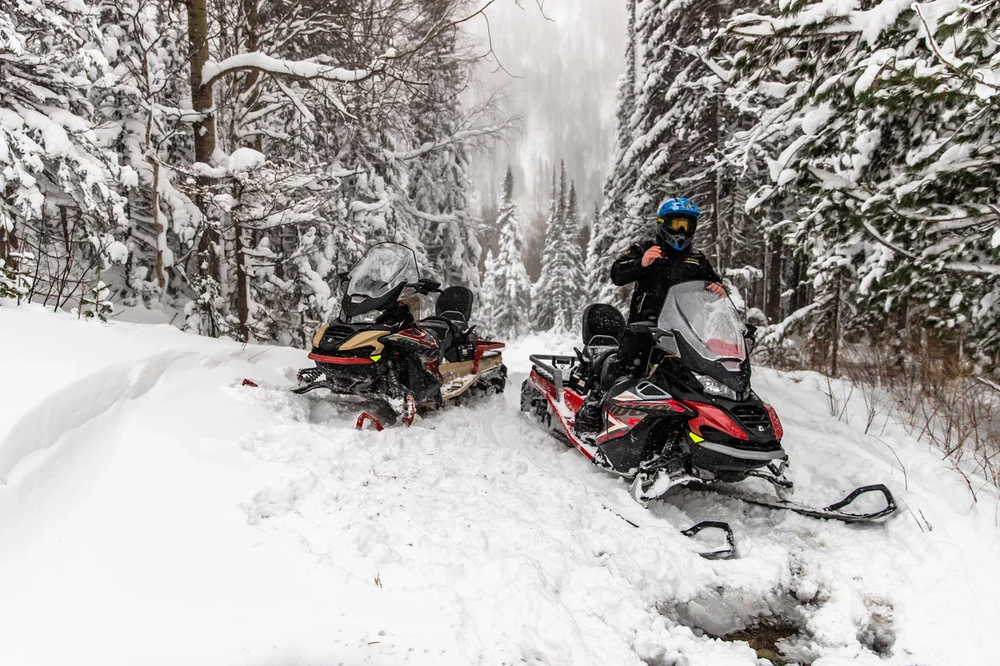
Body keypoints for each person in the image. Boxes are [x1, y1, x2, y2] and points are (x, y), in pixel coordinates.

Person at [574, 197, 725, 436]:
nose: (681, 230)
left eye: (687, 225)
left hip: (683, 330)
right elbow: (617, 274)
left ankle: (691, 423)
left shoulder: (697, 259)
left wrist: (718, 288)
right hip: (644, 327)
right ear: (663, 223)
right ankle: (593, 408)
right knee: (624, 367)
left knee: (694, 377)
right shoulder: (645, 248)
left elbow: (712, 283)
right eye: (676, 224)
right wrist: (641, 263)